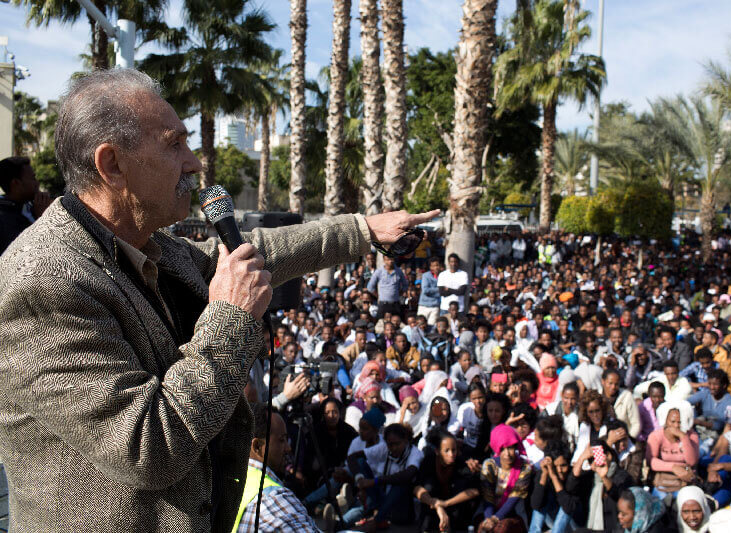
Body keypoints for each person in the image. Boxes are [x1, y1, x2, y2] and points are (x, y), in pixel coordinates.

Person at [0, 69, 439, 532]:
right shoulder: (41, 283)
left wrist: (362, 230)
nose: (194, 164)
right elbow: (147, 447)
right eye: (175, 145)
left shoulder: (149, 246)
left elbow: (254, 253)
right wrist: (230, 318)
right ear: (112, 165)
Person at [234, 404, 321, 532]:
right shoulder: (273, 499)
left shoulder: (227, 481)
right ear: (257, 446)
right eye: (282, 440)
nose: (288, 448)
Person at [346, 423, 424, 529]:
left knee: (401, 483)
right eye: (391, 445)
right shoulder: (385, 448)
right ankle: (340, 523)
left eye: (398, 444)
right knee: (360, 462)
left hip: (402, 507)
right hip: (382, 499)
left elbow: (407, 475)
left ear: (405, 441)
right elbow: (352, 458)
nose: (394, 448)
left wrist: (375, 481)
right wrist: (360, 480)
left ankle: (376, 520)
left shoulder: (415, 453)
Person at [414, 429, 481, 533]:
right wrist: (437, 505)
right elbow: (417, 488)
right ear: (437, 451)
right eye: (446, 451)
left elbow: (474, 491)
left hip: (454, 506)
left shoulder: (461, 463)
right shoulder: (429, 461)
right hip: (432, 505)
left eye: (453, 450)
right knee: (428, 486)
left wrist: (445, 504)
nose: (451, 454)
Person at [478, 424, 533, 532]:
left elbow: (514, 498)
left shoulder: (524, 468)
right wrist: (489, 518)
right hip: (488, 510)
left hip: (513, 513)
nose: (507, 454)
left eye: (511, 448)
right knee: (482, 528)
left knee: (502, 529)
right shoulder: (489, 465)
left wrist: (495, 519)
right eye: (503, 449)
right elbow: (487, 495)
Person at [646, 401, 700, 499]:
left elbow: (691, 461)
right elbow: (651, 461)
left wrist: (683, 437)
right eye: (672, 422)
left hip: (684, 479)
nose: (676, 426)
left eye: (679, 422)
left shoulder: (692, 436)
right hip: (663, 479)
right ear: (666, 421)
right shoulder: (656, 436)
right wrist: (674, 467)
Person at [0, 156, 52, 254]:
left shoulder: (32, 206)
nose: (37, 183)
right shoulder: (4, 219)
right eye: (33, 178)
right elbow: (27, 253)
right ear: (16, 183)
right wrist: (42, 220)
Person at [529, 440, 579, 533]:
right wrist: (544, 474)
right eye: (555, 466)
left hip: (572, 524)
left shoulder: (573, 477)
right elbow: (536, 505)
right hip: (552, 519)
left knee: (566, 504)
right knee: (542, 502)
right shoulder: (544, 473)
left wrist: (554, 476)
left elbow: (568, 508)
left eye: (563, 465)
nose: (560, 470)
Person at [367, 255, 409, 319]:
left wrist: (399, 293)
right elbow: (370, 287)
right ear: (384, 260)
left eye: (392, 259)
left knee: (398, 322)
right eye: (388, 259)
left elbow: (405, 285)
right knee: (380, 322)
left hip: (395, 303)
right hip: (383, 304)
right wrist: (378, 296)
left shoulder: (398, 271)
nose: (390, 261)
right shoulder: (379, 271)